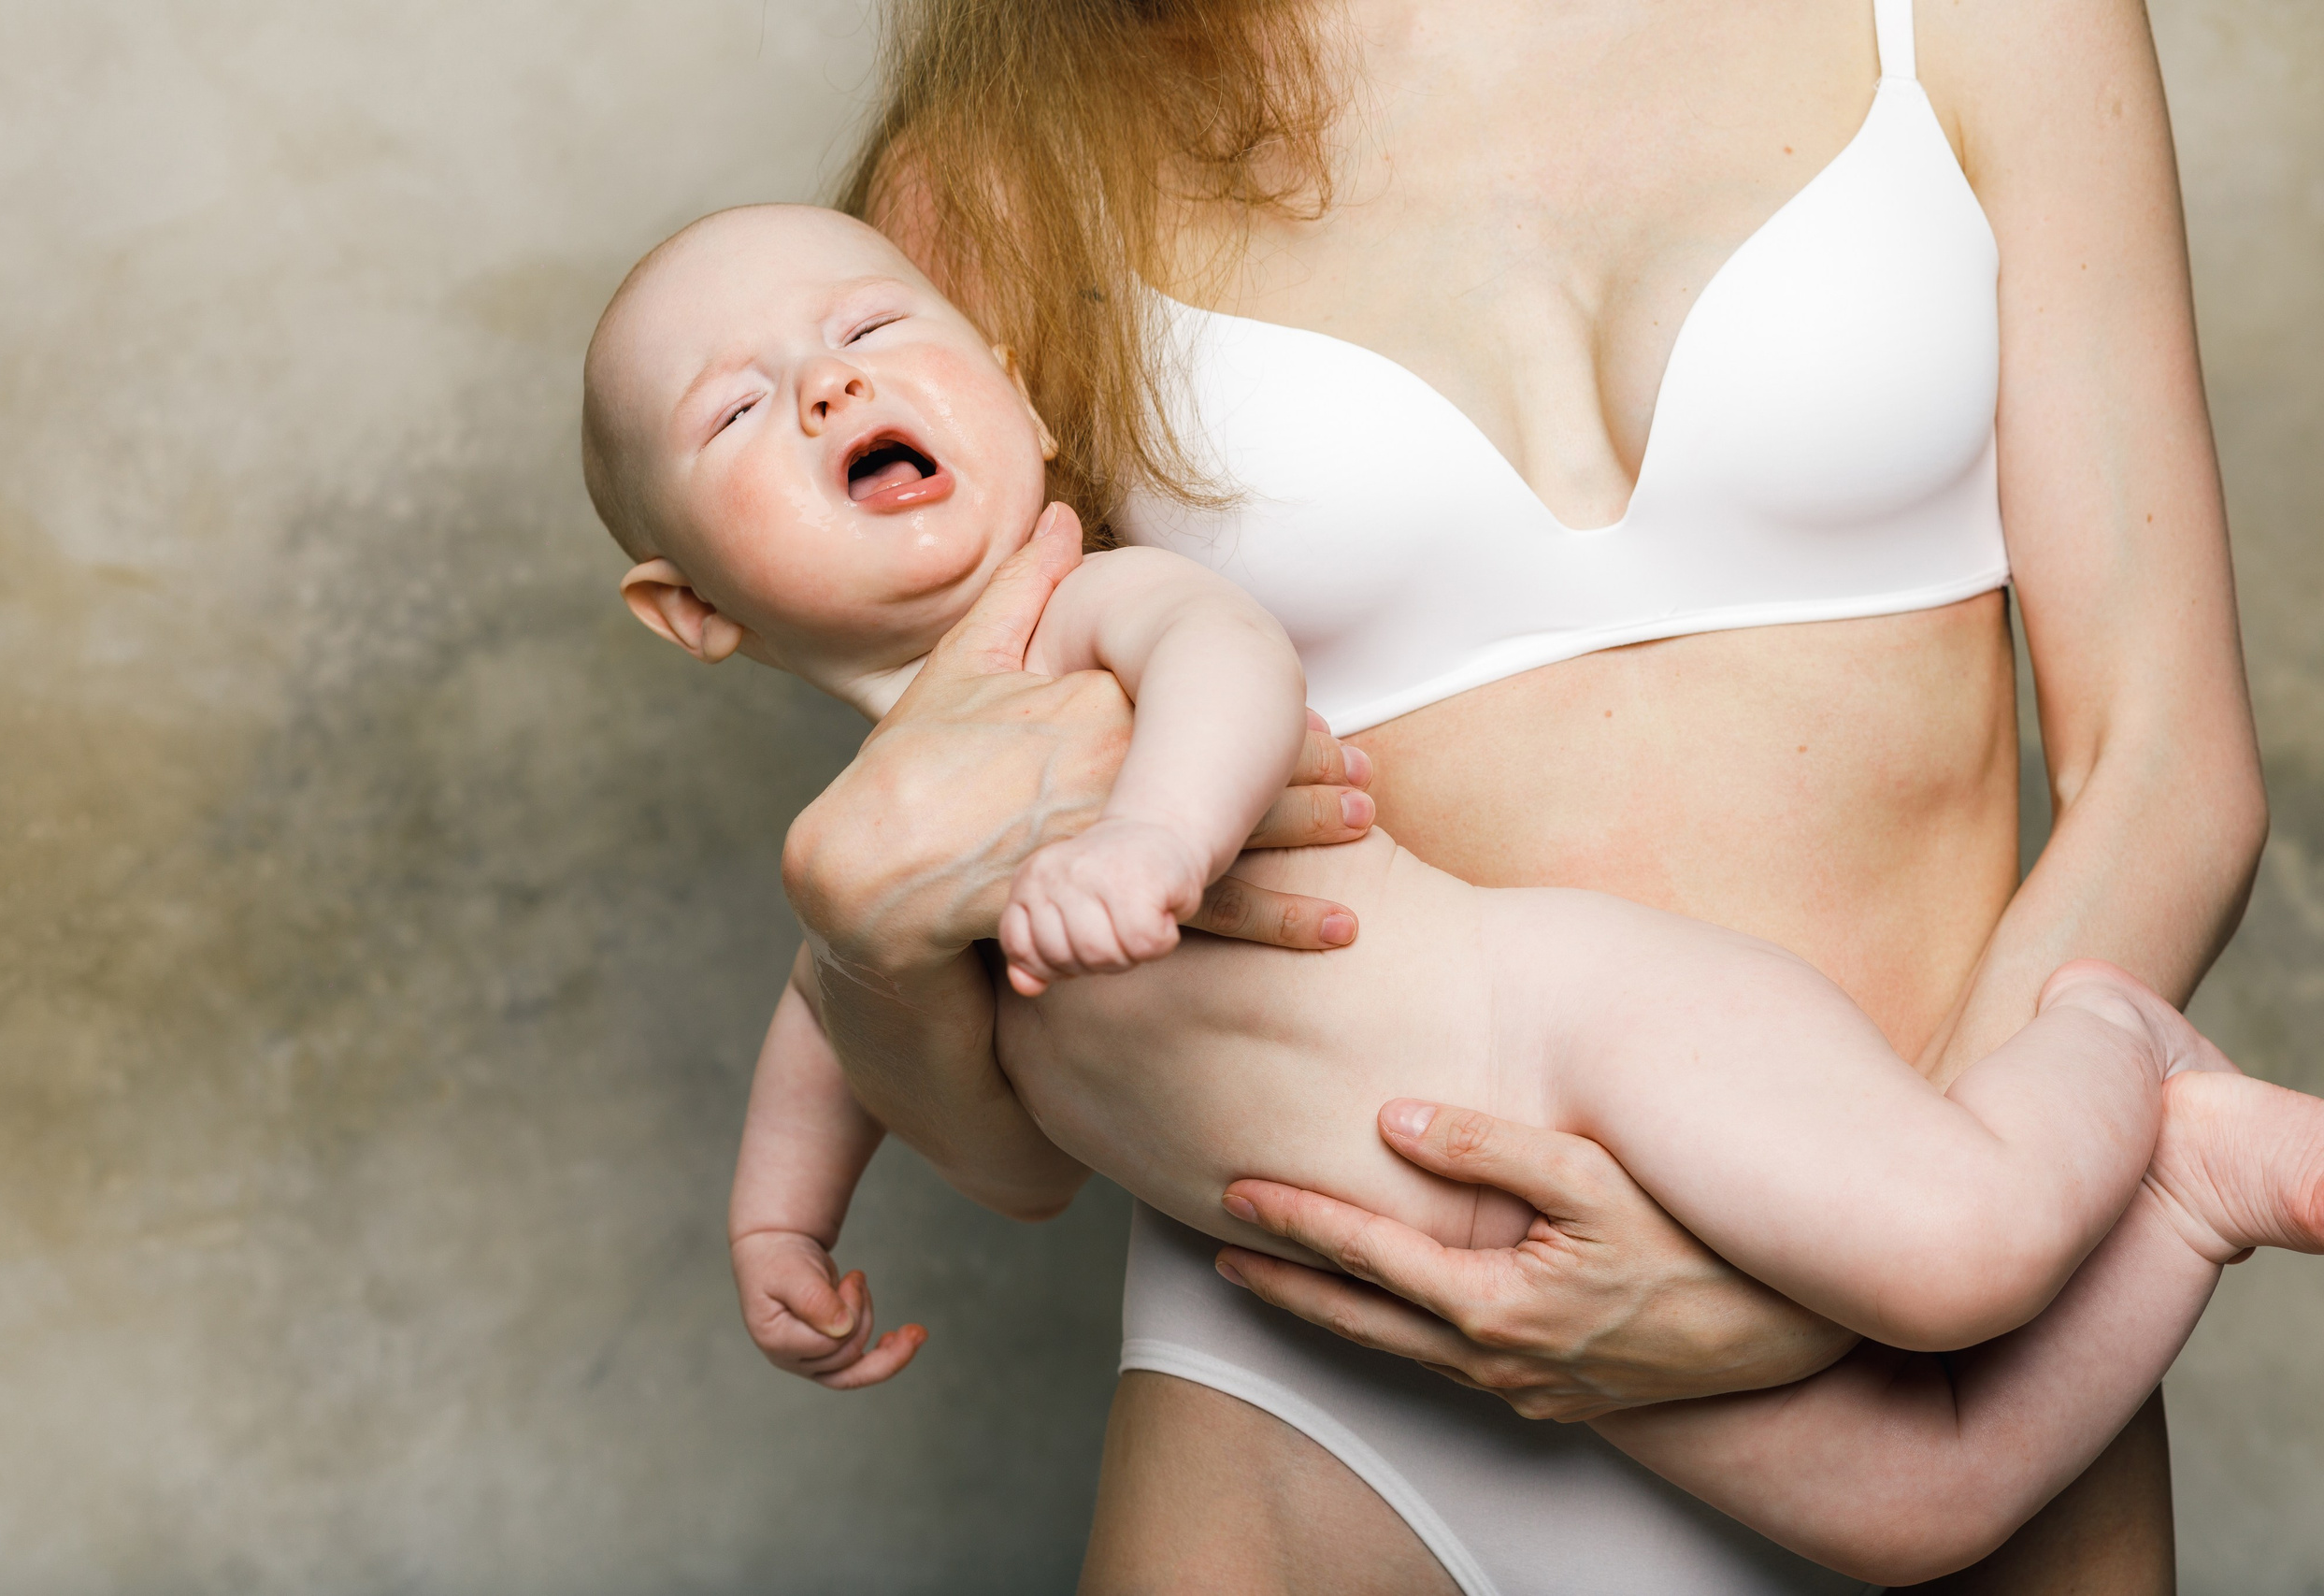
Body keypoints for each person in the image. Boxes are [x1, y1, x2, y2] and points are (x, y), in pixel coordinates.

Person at [578, 200, 2324, 1584]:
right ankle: (2174, 1214)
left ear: (1022, 392)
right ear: (691, 609)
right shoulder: (883, 832)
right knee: (1911, 1509)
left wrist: (1151, 845)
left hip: (1568, 1033)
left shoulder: (1085, 614)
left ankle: (2146, 1082)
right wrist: (781, 1226)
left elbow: (1234, 679)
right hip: (1410, 1286)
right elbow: (855, 1039)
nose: (821, 383)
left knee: (1953, 1265)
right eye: (735, 407)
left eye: (872, 334)